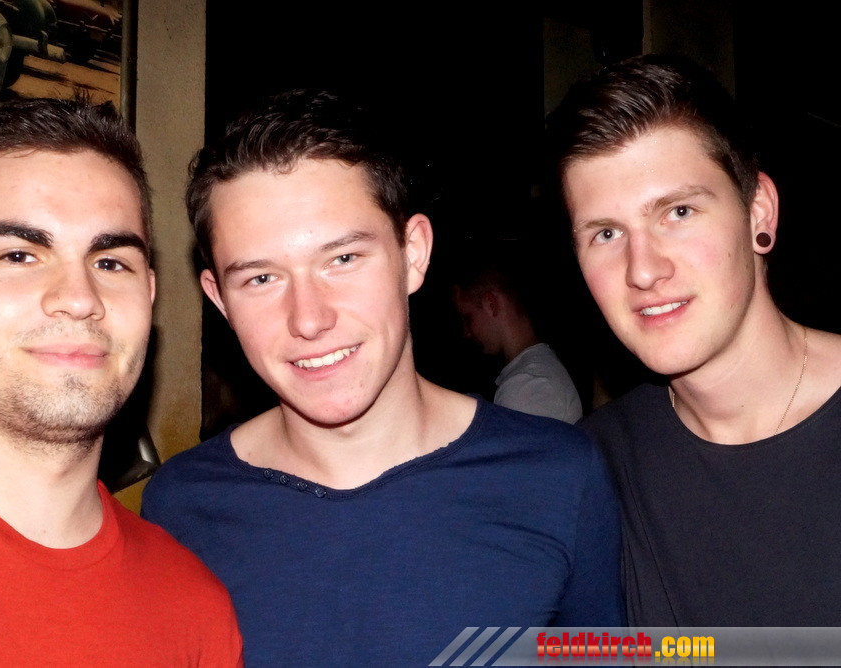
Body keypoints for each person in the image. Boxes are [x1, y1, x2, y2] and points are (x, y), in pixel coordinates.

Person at [142, 89, 623, 666]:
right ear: (220, 299)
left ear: (413, 254)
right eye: (262, 279)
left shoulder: (559, 477)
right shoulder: (180, 507)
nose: (309, 319)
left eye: (343, 259)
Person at [0, 98, 243, 665]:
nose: (78, 298)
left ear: (149, 298)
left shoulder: (194, 610)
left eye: (111, 263)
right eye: (19, 255)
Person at [549, 53, 841, 626]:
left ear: (759, 212)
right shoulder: (593, 468)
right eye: (606, 233)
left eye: (678, 212)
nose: (642, 269)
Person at [452, 258, 583, 422]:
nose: (466, 333)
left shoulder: (528, 385)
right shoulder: (537, 372)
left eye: (467, 318)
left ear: (491, 304)